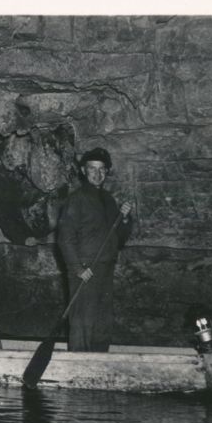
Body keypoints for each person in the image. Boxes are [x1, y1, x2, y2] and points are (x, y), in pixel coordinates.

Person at [57, 147, 132, 352]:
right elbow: (65, 238)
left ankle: (99, 361)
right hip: (84, 270)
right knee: (83, 320)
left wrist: (124, 218)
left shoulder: (108, 199)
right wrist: (78, 268)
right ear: (83, 170)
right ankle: (78, 364)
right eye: (92, 169)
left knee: (102, 321)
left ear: (106, 172)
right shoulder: (76, 200)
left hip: (105, 268)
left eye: (101, 170)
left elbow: (120, 238)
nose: (97, 174)